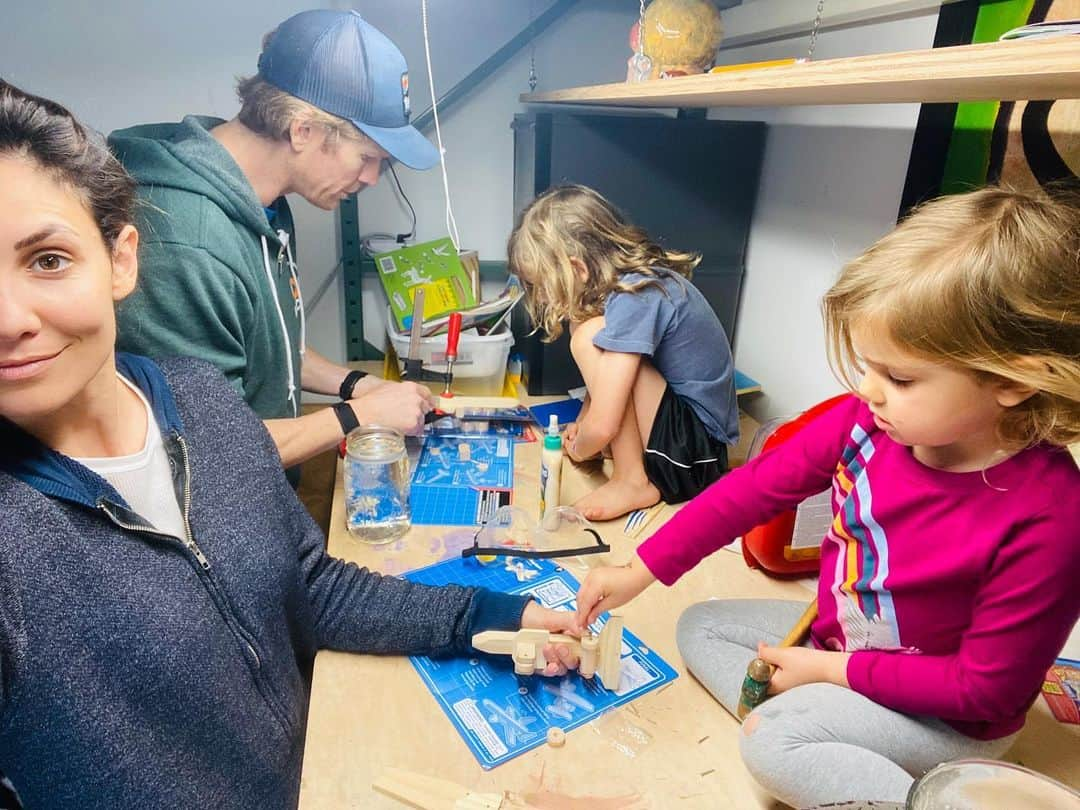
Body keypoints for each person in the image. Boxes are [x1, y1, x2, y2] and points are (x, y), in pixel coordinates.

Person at [0, 81, 580, 810]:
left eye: (47, 260)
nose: (9, 317)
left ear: (121, 261)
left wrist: (486, 617)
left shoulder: (200, 401)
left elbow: (308, 588)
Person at [572, 185, 1080, 807]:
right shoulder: (863, 422)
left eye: (899, 377)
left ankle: (901, 778)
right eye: (868, 365)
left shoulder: (1052, 514)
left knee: (773, 746)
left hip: (945, 720)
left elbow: (984, 694)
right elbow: (749, 493)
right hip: (841, 644)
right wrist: (641, 567)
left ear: (1010, 382)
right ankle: (808, 724)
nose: (867, 389)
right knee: (700, 625)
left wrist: (831, 675)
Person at [108, 10, 439, 475]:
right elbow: (210, 451)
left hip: (265, 498)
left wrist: (356, 386)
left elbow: (270, 348)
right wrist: (360, 416)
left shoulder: (265, 204)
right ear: (303, 129)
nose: (370, 178)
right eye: (367, 157)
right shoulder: (187, 244)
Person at [507, 184, 739, 521]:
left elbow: (605, 424)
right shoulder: (634, 287)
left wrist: (580, 445)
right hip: (689, 446)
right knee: (589, 330)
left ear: (578, 270)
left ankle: (632, 481)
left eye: (542, 285)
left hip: (694, 460)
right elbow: (610, 388)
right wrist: (585, 424)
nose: (541, 297)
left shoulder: (636, 296)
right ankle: (632, 469)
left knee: (587, 335)